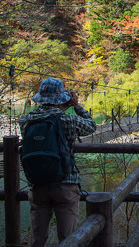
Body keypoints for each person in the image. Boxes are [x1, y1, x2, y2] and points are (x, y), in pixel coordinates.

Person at [19, 78, 97, 247]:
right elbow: (91, 126)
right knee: (68, 238)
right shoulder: (68, 120)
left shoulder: (25, 121)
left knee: (37, 238)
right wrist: (75, 106)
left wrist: (61, 106)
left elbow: (47, 118)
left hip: (37, 184)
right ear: (61, 98)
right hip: (65, 184)